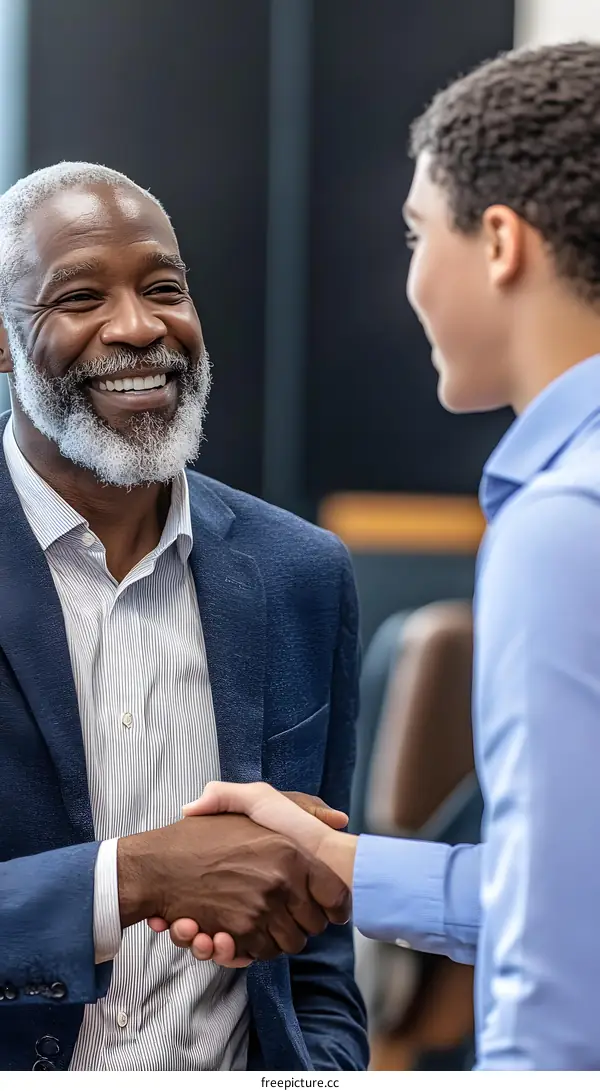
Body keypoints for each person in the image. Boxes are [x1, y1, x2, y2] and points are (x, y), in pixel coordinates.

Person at [161, 41, 600, 1070]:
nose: (408, 277)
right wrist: (347, 865)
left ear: (500, 242)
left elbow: (558, 999)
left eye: (415, 234)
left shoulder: (563, 522)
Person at [0, 162, 368, 1072]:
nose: (138, 327)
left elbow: (316, 948)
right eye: (78, 297)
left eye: (164, 288)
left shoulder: (301, 574)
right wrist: (131, 876)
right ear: (4, 342)